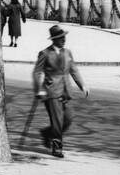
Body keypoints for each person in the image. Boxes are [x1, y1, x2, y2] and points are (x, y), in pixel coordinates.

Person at [32, 25, 88, 157]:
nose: (63, 40)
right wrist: (39, 89)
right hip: (51, 92)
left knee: (68, 119)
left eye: (64, 37)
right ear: (54, 39)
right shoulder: (45, 53)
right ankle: (57, 147)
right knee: (57, 120)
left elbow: (74, 70)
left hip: (66, 91)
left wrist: (82, 85)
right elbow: (37, 72)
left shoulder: (67, 52)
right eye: (60, 38)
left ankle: (47, 133)